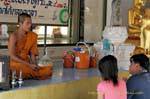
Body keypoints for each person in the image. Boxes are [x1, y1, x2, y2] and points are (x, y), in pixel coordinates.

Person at [8, 13, 52, 80]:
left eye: (30, 23)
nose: (30, 25)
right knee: (17, 69)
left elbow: (32, 55)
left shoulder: (32, 36)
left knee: (48, 69)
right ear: (20, 24)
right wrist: (29, 65)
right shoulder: (13, 36)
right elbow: (12, 56)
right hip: (15, 63)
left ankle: (32, 73)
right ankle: (30, 74)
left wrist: (34, 65)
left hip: (26, 63)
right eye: (27, 23)